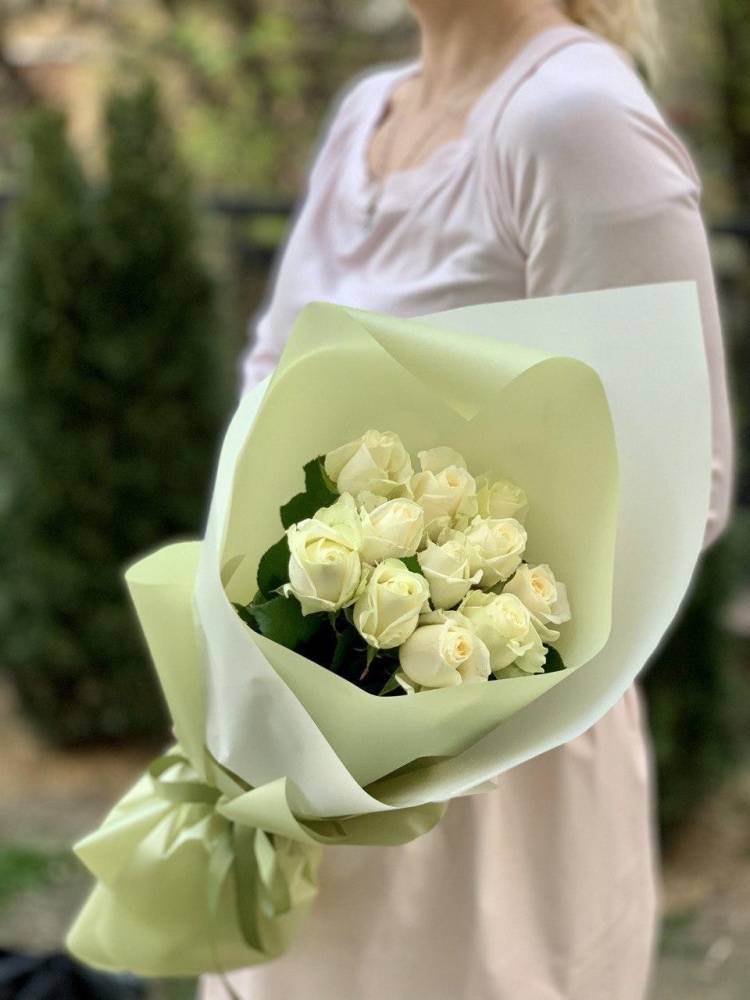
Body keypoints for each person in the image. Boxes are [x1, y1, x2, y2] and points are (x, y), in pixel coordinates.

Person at [202, 1, 734, 997]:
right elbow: (267, 383)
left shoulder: (574, 122)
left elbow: (683, 488)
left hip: (485, 797)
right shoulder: (367, 112)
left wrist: (422, 628)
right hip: (299, 751)